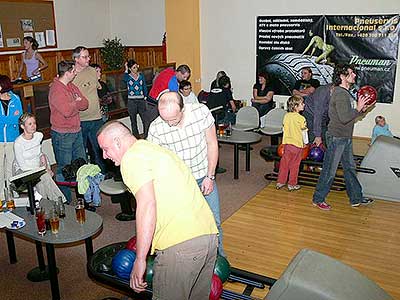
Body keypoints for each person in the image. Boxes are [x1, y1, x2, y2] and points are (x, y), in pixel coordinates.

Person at [97, 121, 218, 299]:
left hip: (181, 246)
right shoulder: (155, 150)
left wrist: (140, 259)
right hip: (208, 238)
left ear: (118, 142)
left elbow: (147, 205)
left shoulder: (131, 158)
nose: (105, 156)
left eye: (105, 149)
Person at [148, 91, 225, 257]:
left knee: (214, 222)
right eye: (165, 119)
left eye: (173, 120)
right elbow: (155, 161)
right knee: (186, 225)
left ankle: (219, 259)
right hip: (179, 183)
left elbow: (212, 144)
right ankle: (193, 259)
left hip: (203, 176)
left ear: (183, 109)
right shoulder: (156, 128)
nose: (169, 124)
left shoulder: (201, 112)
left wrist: (210, 177)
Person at [312, 64, 375, 210]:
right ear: (342, 76)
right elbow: (345, 117)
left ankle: (356, 198)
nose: (354, 75)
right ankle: (318, 198)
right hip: (337, 137)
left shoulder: (345, 93)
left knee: (350, 169)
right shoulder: (340, 93)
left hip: (344, 137)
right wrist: (358, 109)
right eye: (351, 73)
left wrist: (362, 110)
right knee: (329, 170)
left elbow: (349, 115)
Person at [49, 61, 88, 202]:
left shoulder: (72, 86)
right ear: (67, 73)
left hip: (76, 131)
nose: (76, 73)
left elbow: (85, 104)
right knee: (64, 168)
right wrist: (76, 102)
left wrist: (76, 103)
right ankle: (65, 200)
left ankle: (82, 197)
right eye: (73, 71)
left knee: (81, 165)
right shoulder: (56, 89)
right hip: (62, 134)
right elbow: (66, 111)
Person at [13, 113, 66, 202]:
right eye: (30, 124)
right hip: (23, 171)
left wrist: (46, 168)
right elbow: (22, 165)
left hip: (38, 167)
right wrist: (40, 172)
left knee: (44, 180)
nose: (33, 126)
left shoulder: (39, 136)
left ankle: (48, 203)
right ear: (22, 126)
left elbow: (41, 155)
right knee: (43, 178)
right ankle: (58, 202)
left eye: (34, 123)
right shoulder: (18, 143)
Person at [72, 46, 107, 174]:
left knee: (99, 150)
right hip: (80, 120)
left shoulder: (92, 71)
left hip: (96, 118)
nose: (88, 59)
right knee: (80, 152)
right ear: (76, 59)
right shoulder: (71, 74)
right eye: (84, 57)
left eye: (89, 56)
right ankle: (84, 178)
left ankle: (102, 177)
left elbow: (98, 88)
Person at [145, 64, 191, 137]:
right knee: (154, 130)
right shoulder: (173, 81)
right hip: (154, 105)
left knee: (149, 127)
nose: (185, 79)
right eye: (184, 76)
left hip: (149, 100)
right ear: (179, 72)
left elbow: (155, 79)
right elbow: (175, 99)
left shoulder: (168, 70)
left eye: (186, 77)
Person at [276, 95, 307, 191]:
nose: (304, 105)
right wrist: (305, 143)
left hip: (287, 145)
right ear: (296, 106)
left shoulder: (286, 116)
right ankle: (292, 184)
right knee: (295, 165)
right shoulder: (301, 119)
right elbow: (304, 132)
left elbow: (284, 129)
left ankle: (280, 182)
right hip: (297, 146)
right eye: (302, 103)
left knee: (284, 164)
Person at [123, 59, 148, 138]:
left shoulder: (141, 76)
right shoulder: (128, 77)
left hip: (141, 100)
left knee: (144, 119)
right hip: (131, 101)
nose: (136, 69)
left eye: (136, 67)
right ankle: (136, 137)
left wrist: (145, 96)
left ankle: (146, 135)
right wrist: (126, 69)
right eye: (133, 67)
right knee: (133, 120)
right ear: (130, 69)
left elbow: (144, 86)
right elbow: (124, 79)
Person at [0, 75, 23, 143]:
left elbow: (19, 119)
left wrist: (4, 119)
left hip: (13, 138)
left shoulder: (15, 98)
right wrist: (12, 117)